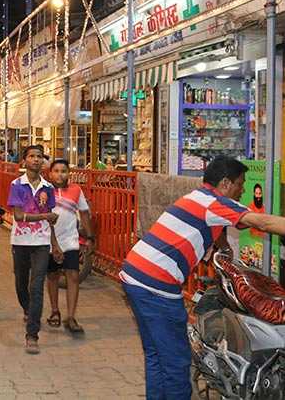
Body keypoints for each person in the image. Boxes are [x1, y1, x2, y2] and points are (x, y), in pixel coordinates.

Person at [121, 155, 285, 399]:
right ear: (226, 184)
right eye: (241, 184)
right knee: (176, 361)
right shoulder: (214, 202)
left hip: (135, 274)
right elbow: (261, 221)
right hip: (155, 285)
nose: (243, 190)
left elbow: (213, 226)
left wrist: (223, 248)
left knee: (156, 354)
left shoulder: (199, 198)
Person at [7, 145, 62, 354]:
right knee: (21, 284)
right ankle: (28, 310)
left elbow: (51, 218)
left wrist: (55, 244)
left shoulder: (48, 188)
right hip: (20, 242)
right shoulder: (17, 185)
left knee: (36, 285)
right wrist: (45, 217)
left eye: (40, 157)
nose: (36, 160)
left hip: (41, 241)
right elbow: (19, 216)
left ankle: (32, 334)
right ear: (24, 161)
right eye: (32, 156)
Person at [45, 159, 94, 332]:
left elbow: (84, 212)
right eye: (56, 171)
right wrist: (53, 243)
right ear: (50, 173)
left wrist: (89, 238)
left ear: (69, 173)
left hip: (70, 240)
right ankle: (54, 311)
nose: (60, 174)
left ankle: (71, 317)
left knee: (73, 276)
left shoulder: (76, 190)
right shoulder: (44, 190)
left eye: (64, 171)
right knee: (52, 276)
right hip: (49, 241)